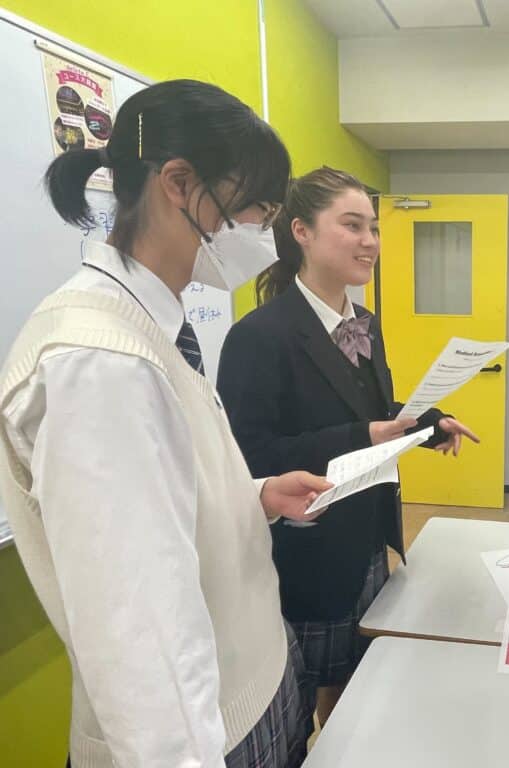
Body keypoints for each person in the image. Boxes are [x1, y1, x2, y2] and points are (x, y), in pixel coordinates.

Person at [0, 80, 335, 768]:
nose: (262, 232)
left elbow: (162, 505)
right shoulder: (100, 363)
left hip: (255, 685)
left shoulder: (152, 323)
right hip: (206, 738)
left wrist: (255, 496)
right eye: (254, 207)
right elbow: (138, 630)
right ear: (179, 184)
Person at [217, 167, 478, 725]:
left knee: (357, 691)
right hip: (308, 552)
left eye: (374, 228)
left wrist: (432, 424)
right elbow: (249, 458)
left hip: (368, 539)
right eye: (353, 225)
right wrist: (363, 435)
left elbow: (373, 411)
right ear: (302, 232)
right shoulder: (258, 336)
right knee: (305, 706)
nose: (370, 241)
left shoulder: (366, 323)